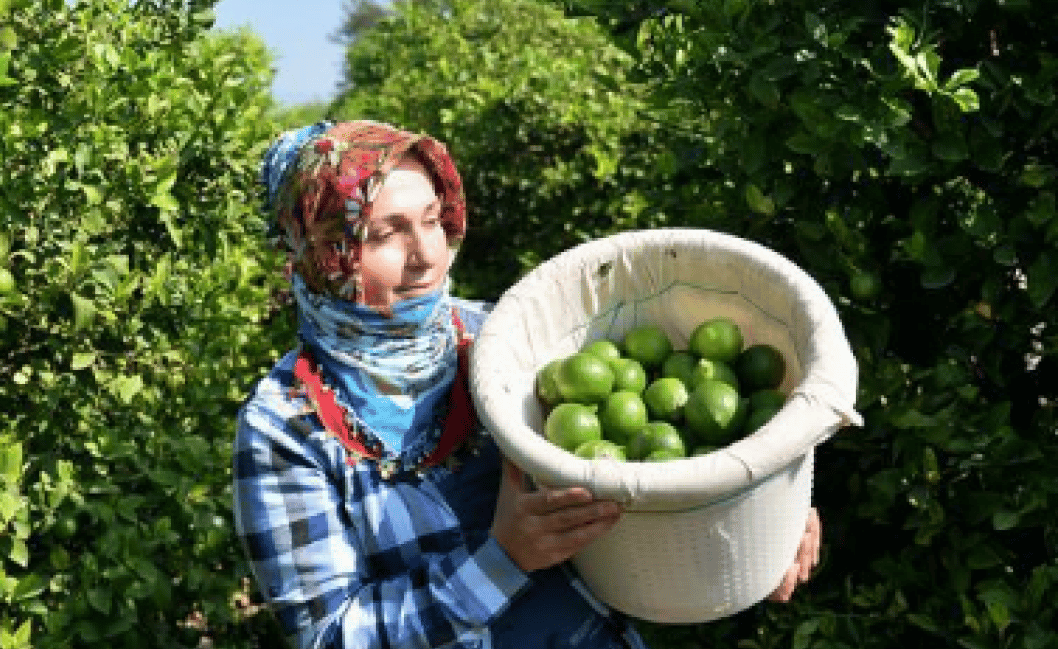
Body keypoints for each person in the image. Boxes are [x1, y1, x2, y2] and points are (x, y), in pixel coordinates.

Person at [232, 120, 821, 649]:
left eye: (433, 220)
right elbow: (329, 635)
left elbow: (638, 474)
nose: (426, 255)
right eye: (385, 234)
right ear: (323, 253)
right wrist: (503, 561)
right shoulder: (285, 426)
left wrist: (759, 512)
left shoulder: (500, 339)